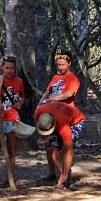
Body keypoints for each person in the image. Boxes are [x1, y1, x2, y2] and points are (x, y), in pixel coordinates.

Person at [38, 51, 81, 181]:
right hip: (52, 116)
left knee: (64, 147)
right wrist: (40, 104)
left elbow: (69, 93)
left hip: (66, 117)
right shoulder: (55, 78)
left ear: (69, 63)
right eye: (59, 65)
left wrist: (54, 99)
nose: (61, 67)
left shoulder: (73, 78)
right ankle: (53, 173)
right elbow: (47, 92)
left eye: (63, 65)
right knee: (50, 146)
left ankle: (65, 175)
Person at [0, 55, 25, 187]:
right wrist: (0, 83)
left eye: (12, 68)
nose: (9, 71)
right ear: (2, 67)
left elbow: (22, 96)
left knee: (12, 151)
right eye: (7, 68)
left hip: (13, 119)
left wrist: (20, 103)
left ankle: (9, 177)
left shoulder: (19, 81)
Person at [34, 101, 85, 191]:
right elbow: (48, 141)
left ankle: (65, 175)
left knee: (64, 150)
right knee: (52, 149)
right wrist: (47, 139)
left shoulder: (63, 125)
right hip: (55, 119)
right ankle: (63, 174)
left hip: (75, 121)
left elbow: (69, 150)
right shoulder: (38, 113)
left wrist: (64, 175)